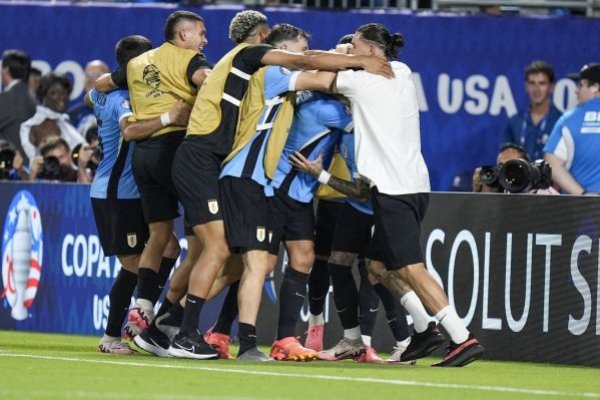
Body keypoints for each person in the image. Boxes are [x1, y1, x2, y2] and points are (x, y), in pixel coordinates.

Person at [167, 9, 392, 361]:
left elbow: (315, 74)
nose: (305, 53)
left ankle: (178, 321)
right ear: (281, 45)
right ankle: (239, 342)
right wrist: (363, 64)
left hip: (256, 182)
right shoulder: (272, 73)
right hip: (246, 178)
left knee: (240, 264)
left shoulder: (277, 81)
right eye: (300, 47)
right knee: (250, 263)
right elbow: (319, 76)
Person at [313, 23, 484, 367]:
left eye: (356, 48)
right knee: (377, 266)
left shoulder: (360, 82)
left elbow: (313, 71)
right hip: (414, 187)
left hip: (394, 191)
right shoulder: (404, 71)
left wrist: (318, 59)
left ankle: (462, 338)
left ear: (373, 53)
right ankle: (423, 331)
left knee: (412, 269)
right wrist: (353, 59)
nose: (351, 55)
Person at [96, 10, 211, 339]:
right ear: (183, 35)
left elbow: (99, 85)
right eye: (200, 33)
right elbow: (207, 80)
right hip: (173, 154)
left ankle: (143, 308)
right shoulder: (191, 60)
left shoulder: (132, 71)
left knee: (162, 238)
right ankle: (171, 320)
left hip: (143, 162)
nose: (204, 40)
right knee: (205, 241)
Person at [544, 63, 600, 195]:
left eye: (580, 85)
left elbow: (552, 163)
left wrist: (583, 195)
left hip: (579, 210)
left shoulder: (568, 120)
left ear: (594, 87)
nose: (576, 90)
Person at [503, 60, 562, 161]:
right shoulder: (515, 121)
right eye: (532, 83)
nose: (536, 89)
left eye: (542, 83)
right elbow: (504, 159)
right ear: (526, 87)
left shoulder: (561, 121)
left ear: (551, 87)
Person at [20, 72, 85, 163]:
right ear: (43, 95)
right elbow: (55, 163)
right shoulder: (42, 124)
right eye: (54, 93)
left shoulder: (62, 121)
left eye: (65, 93)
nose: (62, 97)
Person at [0, 50, 37, 164]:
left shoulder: (6, 99)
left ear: (5, 71)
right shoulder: (31, 96)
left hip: (15, 168)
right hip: (29, 164)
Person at [68, 60, 110, 133]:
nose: (90, 79)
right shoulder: (73, 114)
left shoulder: (120, 109)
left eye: (96, 75)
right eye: (87, 75)